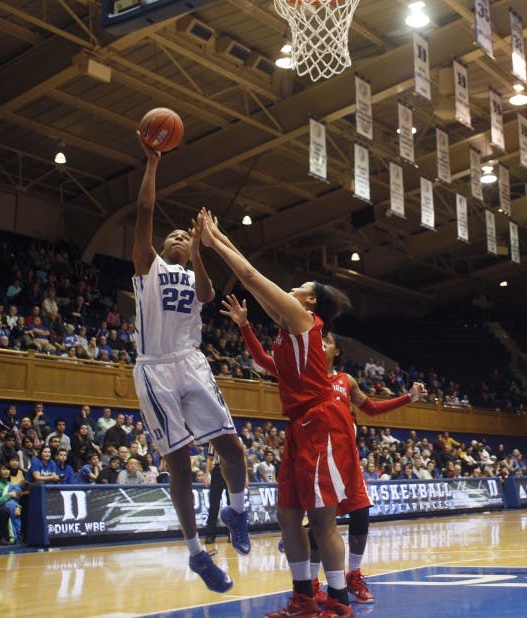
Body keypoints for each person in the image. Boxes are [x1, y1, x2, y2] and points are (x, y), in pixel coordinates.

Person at [198, 207, 354, 617]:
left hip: (320, 423)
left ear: (310, 299)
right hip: (297, 426)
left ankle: (338, 603)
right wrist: (218, 236)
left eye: (300, 286)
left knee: (322, 521)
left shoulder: (304, 319)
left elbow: (250, 277)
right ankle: (304, 597)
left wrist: (214, 242)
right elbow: (255, 294)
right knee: (288, 517)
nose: (292, 288)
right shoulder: (287, 325)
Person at [225, 297, 425, 606]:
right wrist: (245, 325)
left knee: (358, 518)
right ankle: (316, 588)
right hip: (316, 452)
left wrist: (407, 398)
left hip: (346, 460)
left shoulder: (346, 380)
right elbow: (263, 360)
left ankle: (352, 578)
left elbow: (371, 408)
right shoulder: (300, 374)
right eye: (320, 339)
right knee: (317, 524)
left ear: (336, 351)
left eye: (327, 341)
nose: (321, 343)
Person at [130, 135, 249, 594]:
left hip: (192, 363)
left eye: (185, 233)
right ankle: (197, 552)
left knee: (233, 449)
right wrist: (153, 163)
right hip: (155, 368)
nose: (179, 235)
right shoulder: (148, 266)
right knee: (179, 464)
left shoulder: (191, 273)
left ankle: (235, 512)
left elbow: (207, 295)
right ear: (161, 246)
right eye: (173, 235)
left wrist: (200, 248)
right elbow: (144, 214)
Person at [0, 464, 23, 544]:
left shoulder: (10, 485)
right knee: (5, 510)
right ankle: (1, 537)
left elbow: (15, 500)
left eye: (8, 469)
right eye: (3, 469)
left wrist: (18, 507)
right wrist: (8, 495)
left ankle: (19, 536)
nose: (6, 471)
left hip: (10, 508)